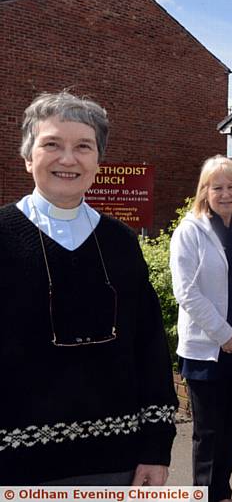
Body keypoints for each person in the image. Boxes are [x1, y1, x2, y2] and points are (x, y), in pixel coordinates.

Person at [0, 91, 177, 486]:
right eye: (51, 144)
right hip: (15, 467)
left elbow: (149, 348)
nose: (68, 158)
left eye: (83, 146)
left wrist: (156, 447)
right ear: (28, 158)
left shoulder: (121, 242)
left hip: (115, 462)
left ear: (98, 161)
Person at [170, 156, 232, 502]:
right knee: (208, 432)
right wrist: (225, 335)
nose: (226, 194)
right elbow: (186, 292)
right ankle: (205, 494)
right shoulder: (190, 231)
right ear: (204, 192)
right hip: (207, 351)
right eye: (218, 187)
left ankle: (222, 491)